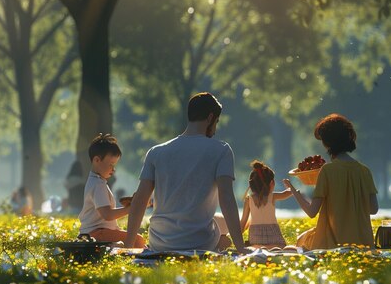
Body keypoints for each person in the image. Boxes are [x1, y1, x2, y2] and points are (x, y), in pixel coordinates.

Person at [124, 92, 249, 254]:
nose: (215, 129)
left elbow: (140, 200)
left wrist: (127, 247)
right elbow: (226, 198)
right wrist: (241, 248)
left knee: (218, 224)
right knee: (223, 237)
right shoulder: (221, 150)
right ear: (210, 118)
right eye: (216, 122)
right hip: (199, 242)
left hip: (160, 242)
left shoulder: (155, 152)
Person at [284, 113, 379, 250]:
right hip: (364, 246)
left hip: (333, 246)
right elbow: (373, 209)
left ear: (327, 143)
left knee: (300, 242)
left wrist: (294, 191)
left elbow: (312, 212)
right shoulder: (364, 171)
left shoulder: (327, 171)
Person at [78, 133, 145, 247]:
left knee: (136, 238)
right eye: (111, 164)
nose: (113, 169)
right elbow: (107, 214)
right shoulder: (98, 184)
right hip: (96, 234)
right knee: (137, 240)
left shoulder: (98, 182)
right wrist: (131, 208)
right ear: (97, 160)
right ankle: (143, 261)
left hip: (100, 232)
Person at [240, 160, 292, 249]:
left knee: (257, 249)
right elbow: (288, 193)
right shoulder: (272, 196)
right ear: (272, 183)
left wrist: (237, 240)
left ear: (251, 184)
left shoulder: (249, 199)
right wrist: (290, 186)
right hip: (273, 235)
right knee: (281, 249)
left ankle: (259, 248)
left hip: (255, 237)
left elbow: (243, 221)